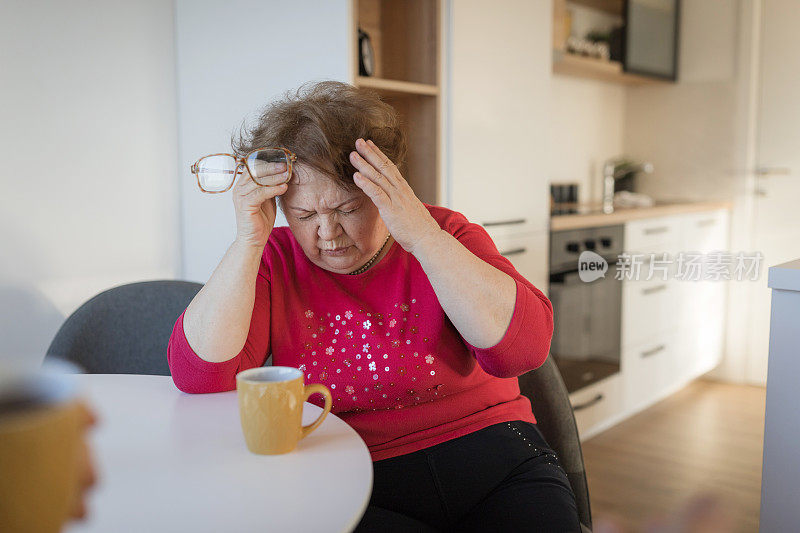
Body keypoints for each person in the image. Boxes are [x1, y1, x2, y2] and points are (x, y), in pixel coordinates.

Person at [167, 81, 581, 532]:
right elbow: (201, 377)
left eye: (348, 208)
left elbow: (523, 351)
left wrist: (422, 237)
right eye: (304, 216)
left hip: (494, 454)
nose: (327, 233)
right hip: (352, 468)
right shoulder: (274, 257)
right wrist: (249, 238)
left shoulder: (443, 232)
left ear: (386, 188)